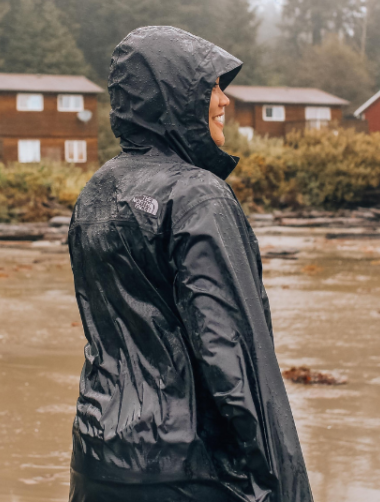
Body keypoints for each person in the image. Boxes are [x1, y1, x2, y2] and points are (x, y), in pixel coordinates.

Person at [67, 26, 313, 502]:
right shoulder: (198, 195)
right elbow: (234, 356)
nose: (223, 101)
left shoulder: (97, 190)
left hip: (97, 457)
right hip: (189, 472)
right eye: (212, 87)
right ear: (175, 96)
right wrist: (285, 488)